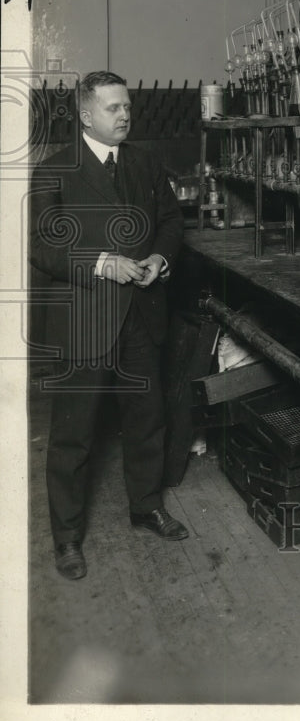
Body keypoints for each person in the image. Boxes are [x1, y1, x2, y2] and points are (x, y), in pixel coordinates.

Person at [30, 70, 188, 580]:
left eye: (127, 106)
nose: (125, 115)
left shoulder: (144, 162)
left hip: (140, 314)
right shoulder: (55, 171)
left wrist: (161, 258)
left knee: (147, 419)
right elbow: (42, 247)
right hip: (86, 321)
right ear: (85, 114)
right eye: (113, 108)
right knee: (74, 436)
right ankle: (67, 538)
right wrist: (101, 262)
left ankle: (146, 507)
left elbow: (171, 221)